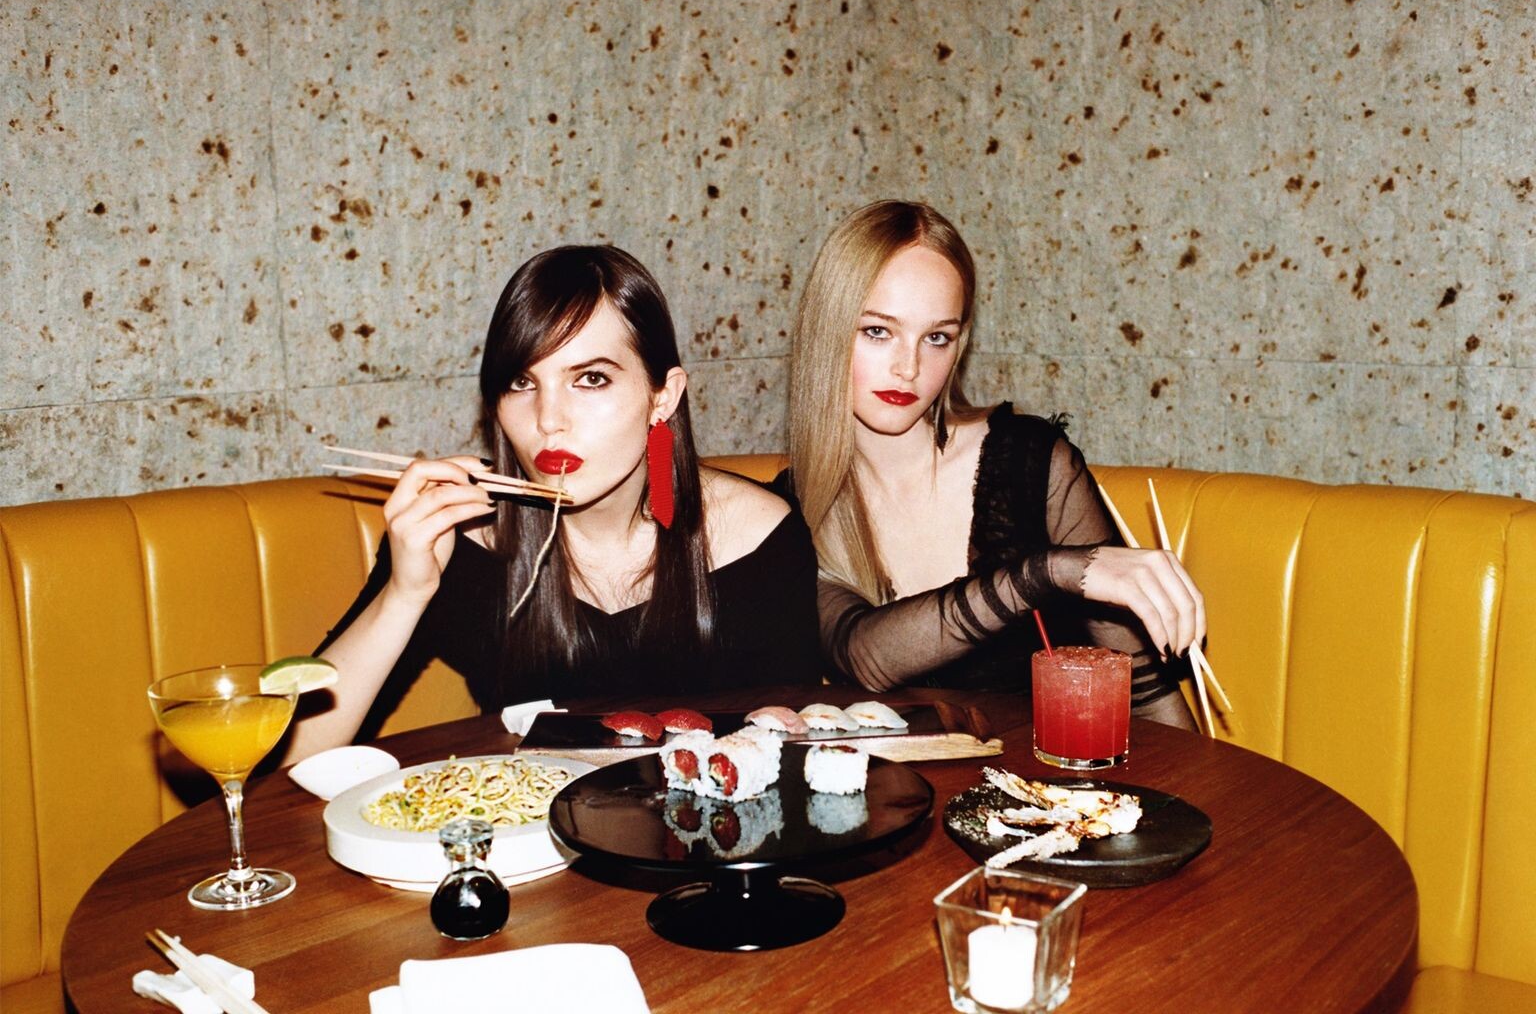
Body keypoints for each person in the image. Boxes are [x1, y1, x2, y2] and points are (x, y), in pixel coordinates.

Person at [291, 244, 824, 759]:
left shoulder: (760, 538)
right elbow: (295, 753)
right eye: (522, 382)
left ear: (663, 396)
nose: (548, 420)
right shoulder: (463, 535)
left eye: (590, 379)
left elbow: (792, 741)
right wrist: (405, 593)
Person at [782, 200, 1202, 727]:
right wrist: (1045, 573)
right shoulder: (792, 510)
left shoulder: (1028, 465)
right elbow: (864, 653)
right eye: (878, 331)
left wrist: (1207, 779)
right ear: (827, 330)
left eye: (936, 337)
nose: (909, 367)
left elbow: (1142, 689)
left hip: (1051, 778)